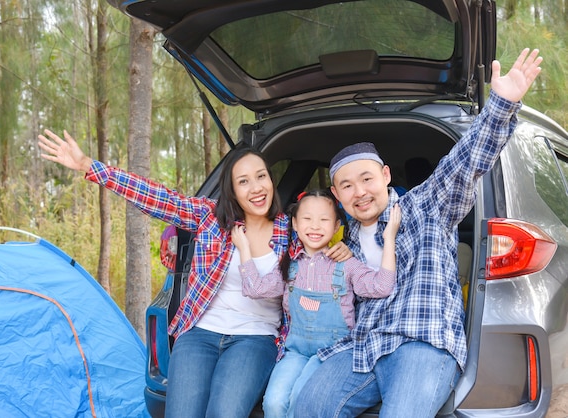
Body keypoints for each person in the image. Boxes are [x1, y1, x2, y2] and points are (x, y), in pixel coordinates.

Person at [294, 47, 544, 418]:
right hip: (362, 347)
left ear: (386, 176)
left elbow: (463, 164)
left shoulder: (424, 206)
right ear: (336, 194)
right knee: (308, 408)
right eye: (346, 186)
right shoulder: (340, 242)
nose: (359, 192)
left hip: (422, 343)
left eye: (366, 179)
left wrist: (501, 104)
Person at [36, 136, 351, 418]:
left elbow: (328, 249)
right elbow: (158, 197)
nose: (256, 188)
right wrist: (89, 166)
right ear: (232, 190)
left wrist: (342, 251)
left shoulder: (292, 230)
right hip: (199, 333)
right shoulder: (211, 217)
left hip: (256, 339)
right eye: (244, 182)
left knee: (224, 413)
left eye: (261, 177)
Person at [233, 189, 401, 418]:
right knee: (273, 403)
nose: (315, 226)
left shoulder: (346, 264)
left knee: (301, 402)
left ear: (335, 227)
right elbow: (255, 288)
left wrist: (389, 238)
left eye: (324, 220)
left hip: (332, 353)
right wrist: (244, 249)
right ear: (294, 223)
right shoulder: (288, 265)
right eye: (307, 219)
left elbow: (382, 286)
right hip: (296, 352)